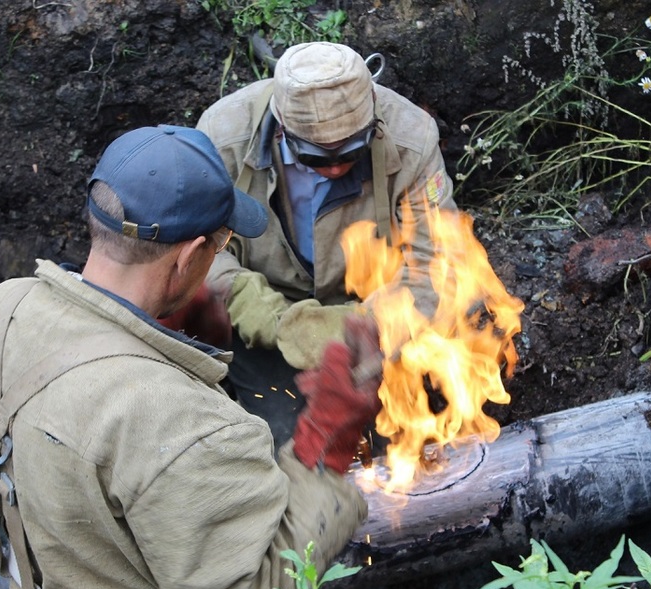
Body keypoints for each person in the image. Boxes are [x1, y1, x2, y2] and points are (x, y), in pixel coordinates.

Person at [0, 125, 378, 589]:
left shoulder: (0, 312)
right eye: (221, 245)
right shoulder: (184, 422)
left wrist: (166, 343)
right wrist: (325, 442)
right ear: (187, 255)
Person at [194, 41, 460, 448]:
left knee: (389, 440)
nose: (335, 166)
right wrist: (271, 319)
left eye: (352, 151)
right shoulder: (223, 135)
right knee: (290, 440)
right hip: (264, 321)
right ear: (281, 129)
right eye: (315, 156)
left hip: (373, 317)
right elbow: (198, 251)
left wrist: (363, 328)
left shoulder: (411, 138)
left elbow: (437, 261)